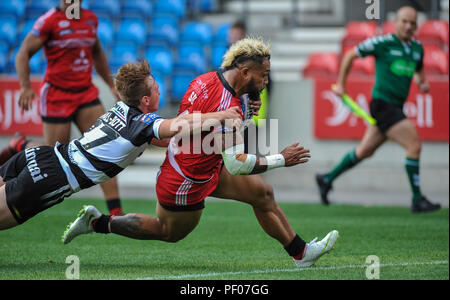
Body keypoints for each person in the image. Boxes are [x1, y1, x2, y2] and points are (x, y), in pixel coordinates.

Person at [63, 38, 339, 268]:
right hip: (186, 179)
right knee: (167, 232)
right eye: (263, 75)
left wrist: (242, 114)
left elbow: (201, 130)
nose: (266, 81)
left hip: (204, 165)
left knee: (262, 194)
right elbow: (238, 164)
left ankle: (301, 253)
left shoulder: (207, 79)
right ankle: (98, 223)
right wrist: (282, 159)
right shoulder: (228, 103)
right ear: (245, 73)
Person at [0, 60, 241, 231]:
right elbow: (177, 126)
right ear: (145, 100)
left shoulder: (123, 109)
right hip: (51, 177)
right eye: (156, 88)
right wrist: (220, 115)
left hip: (41, 155)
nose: (160, 90)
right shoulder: (142, 123)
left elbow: (171, 139)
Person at [0, 0, 124, 216]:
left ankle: (116, 212)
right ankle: (22, 145)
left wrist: (111, 86)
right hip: (57, 95)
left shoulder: (89, 20)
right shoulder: (49, 21)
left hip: (85, 93)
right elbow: (23, 53)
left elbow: (97, 53)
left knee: (106, 147)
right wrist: (25, 87)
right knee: (53, 156)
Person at [316, 6, 441, 213]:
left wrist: (422, 82)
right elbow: (349, 55)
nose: (409, 26)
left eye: (413, 23)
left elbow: (418, 70)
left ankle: (326, 179)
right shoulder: (383, 43)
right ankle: (417, 199)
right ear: (396, 22)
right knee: (414, 146)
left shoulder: (418, 48)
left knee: (364, 151)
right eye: (405, 21)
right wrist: (341, 85)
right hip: (383, 105)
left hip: (395, 106)